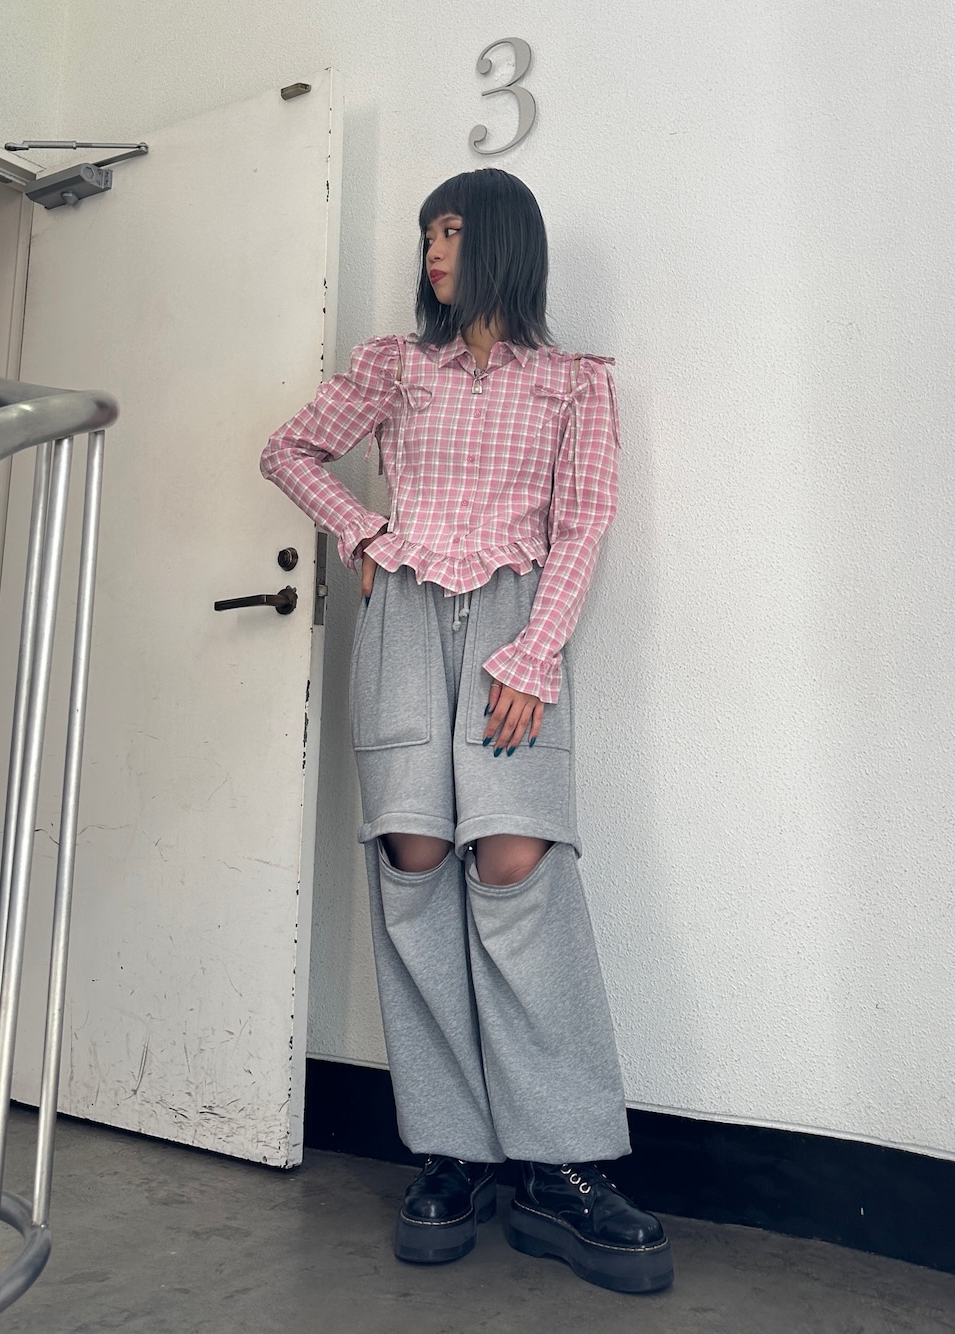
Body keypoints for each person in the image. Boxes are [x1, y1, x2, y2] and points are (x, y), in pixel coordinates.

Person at [260, 168, 673, 1295]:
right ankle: (452, 1152)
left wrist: (534, 655)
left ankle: (562, 1165)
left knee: (517, 865)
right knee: (415, 862)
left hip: (513, 625)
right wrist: (363, 532)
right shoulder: (397, 366)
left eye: (452, 230)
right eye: (427, 234)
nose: (435, 251)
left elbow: (582, 523)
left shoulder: (573, 384)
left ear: (501, 242)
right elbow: (288, 450)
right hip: (403, 625)